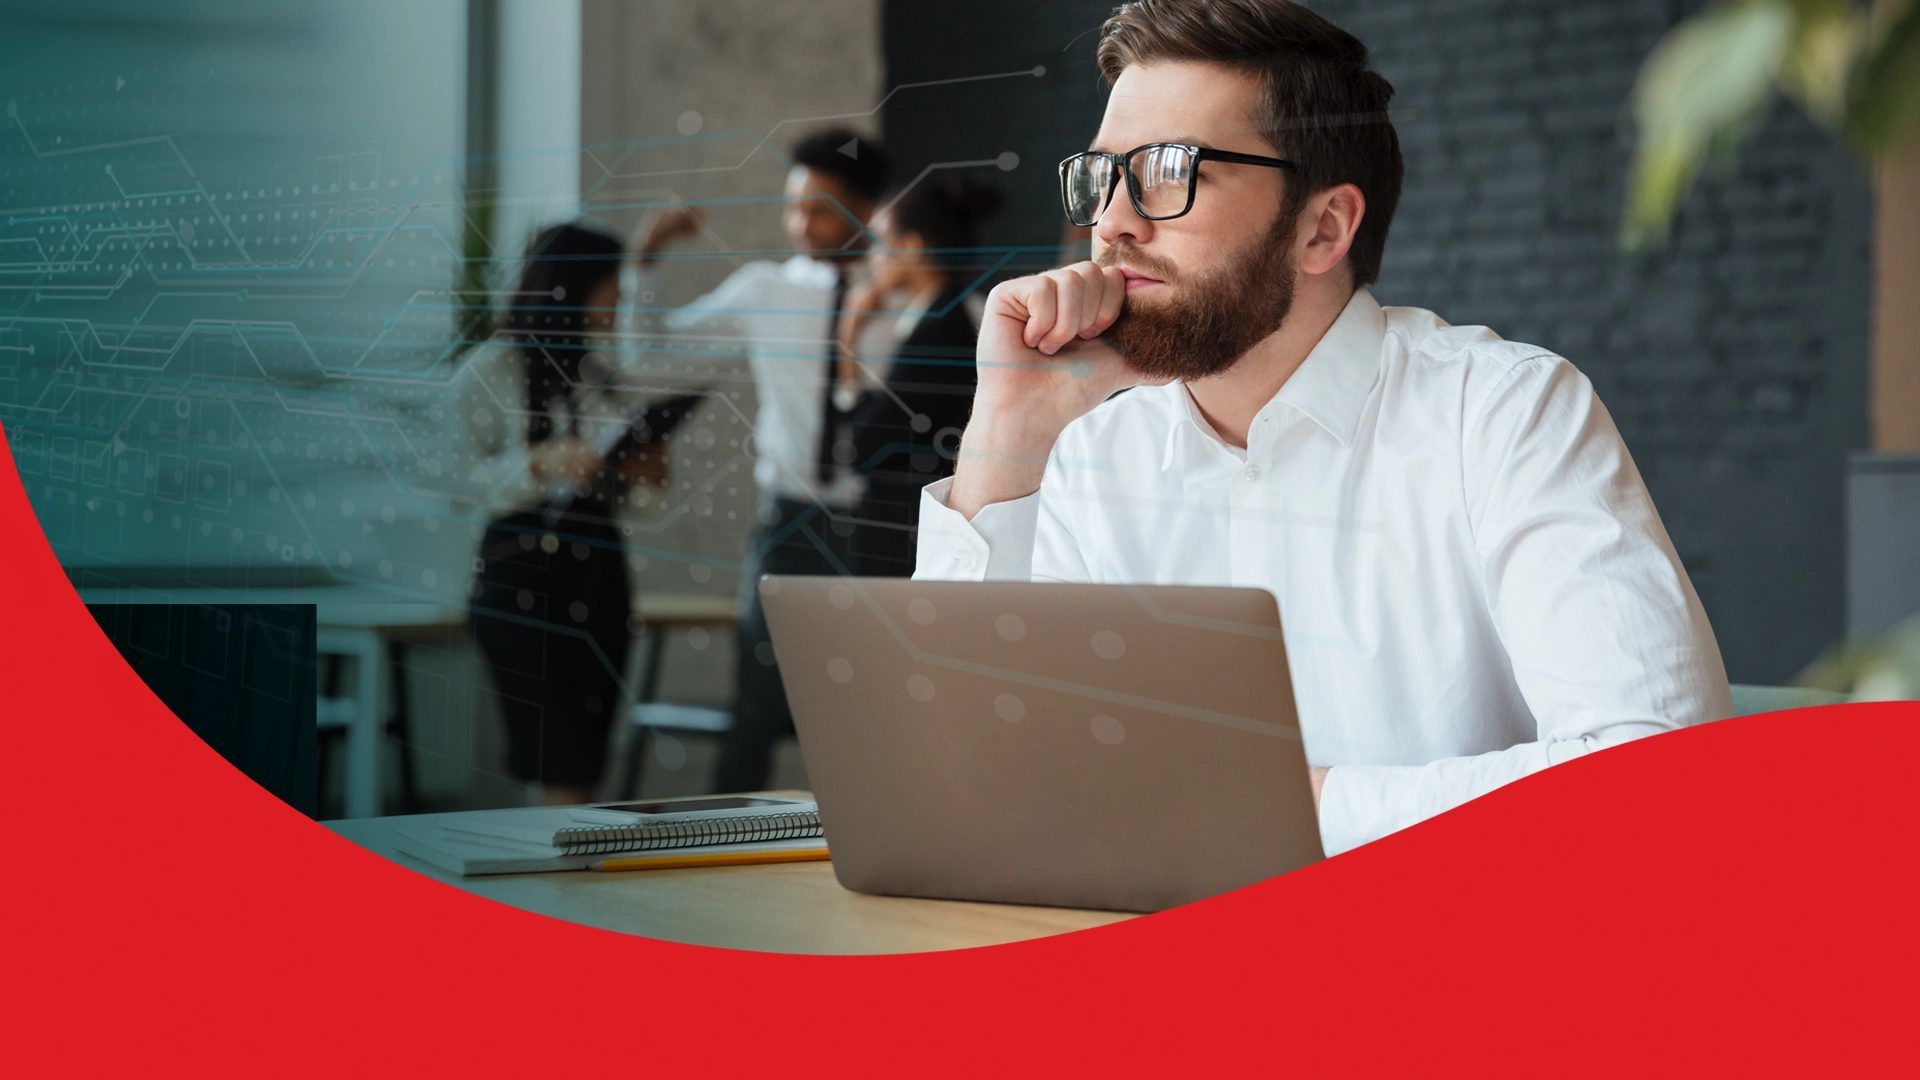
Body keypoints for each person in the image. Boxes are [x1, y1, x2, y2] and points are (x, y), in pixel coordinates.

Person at [915, 0, 1733, 856]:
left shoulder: (1501, 414)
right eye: (1102, 175)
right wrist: (1005, 439)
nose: (1112, 222)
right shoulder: (1090, 453)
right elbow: (963, 786)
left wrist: (1270, 807)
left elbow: (1655, 775)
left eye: (1168, 170)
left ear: (1323, 228)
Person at [628, 127, 893, 793]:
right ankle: (724, 850)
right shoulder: (764, 289)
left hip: (884, 529)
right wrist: (645, 261)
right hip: (791, 525)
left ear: (866, 207)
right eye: (794, 207)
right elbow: (650, 355)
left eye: (822, 207)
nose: (802, 224)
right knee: (757, 701)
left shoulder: (908, 291)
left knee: (880, 712)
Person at [455, 222, 670, 805]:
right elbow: (449, 478)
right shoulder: (493, 368)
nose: (619, 300)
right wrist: (538, 464)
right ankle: (552, 888)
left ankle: (566, 882)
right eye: (611, 286)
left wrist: (648, 476)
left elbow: (635, 503)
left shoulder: (599, 377)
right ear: (574, 285)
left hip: (599, 578)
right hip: (523, 577)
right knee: (557, 758)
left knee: (587, 760)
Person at [830, 177, 999, 576]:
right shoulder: (939, 319)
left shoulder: (939, 332)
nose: (872, 257)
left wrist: (848, 343)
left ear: (911, 246)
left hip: (905, 542)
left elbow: (864, 447)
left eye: (881, 240)